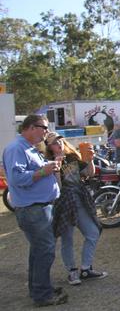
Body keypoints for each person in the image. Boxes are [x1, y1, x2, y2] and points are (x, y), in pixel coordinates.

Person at [2, 114, 68, 306]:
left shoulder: (28, 148)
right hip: (33, 209)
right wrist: (43, 171)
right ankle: (42, 294)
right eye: (44, 128)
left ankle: (39, 288)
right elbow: (17, 179)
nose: (46, 132)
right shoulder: (17, 148)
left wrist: (49, 166)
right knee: (44, 251)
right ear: (30, 127)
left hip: (38, 208)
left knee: (39, 251)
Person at [44, 132, 107, 286]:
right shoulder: (48, 162)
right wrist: (57, 169)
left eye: (59, 140)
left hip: (79, 200)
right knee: (67, 239)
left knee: (92, 233)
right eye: (53, 143)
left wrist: (90, 160)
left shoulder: (72, 158)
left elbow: (89, 174)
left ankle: (85, 269)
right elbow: (57, 189)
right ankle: (72, 271)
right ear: (49, 147)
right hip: (63, 203)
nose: (58, 144)